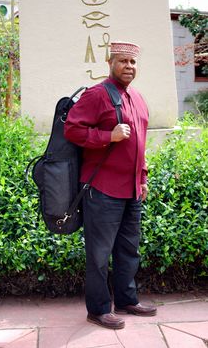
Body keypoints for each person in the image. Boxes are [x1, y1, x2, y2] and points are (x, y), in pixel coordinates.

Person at [64, 41, 157, 330]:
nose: (129, 67)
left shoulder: (138, 98)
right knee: (99, 254)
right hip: (102, 189)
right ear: (110, 63)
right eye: (123, 61)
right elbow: (72, 129)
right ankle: (99, 309)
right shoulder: (97, 95)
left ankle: (127, 299)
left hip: (131, 189)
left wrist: (142, 178)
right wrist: (108, 136)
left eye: (133, 62)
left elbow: (140, 144)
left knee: (129, 249)